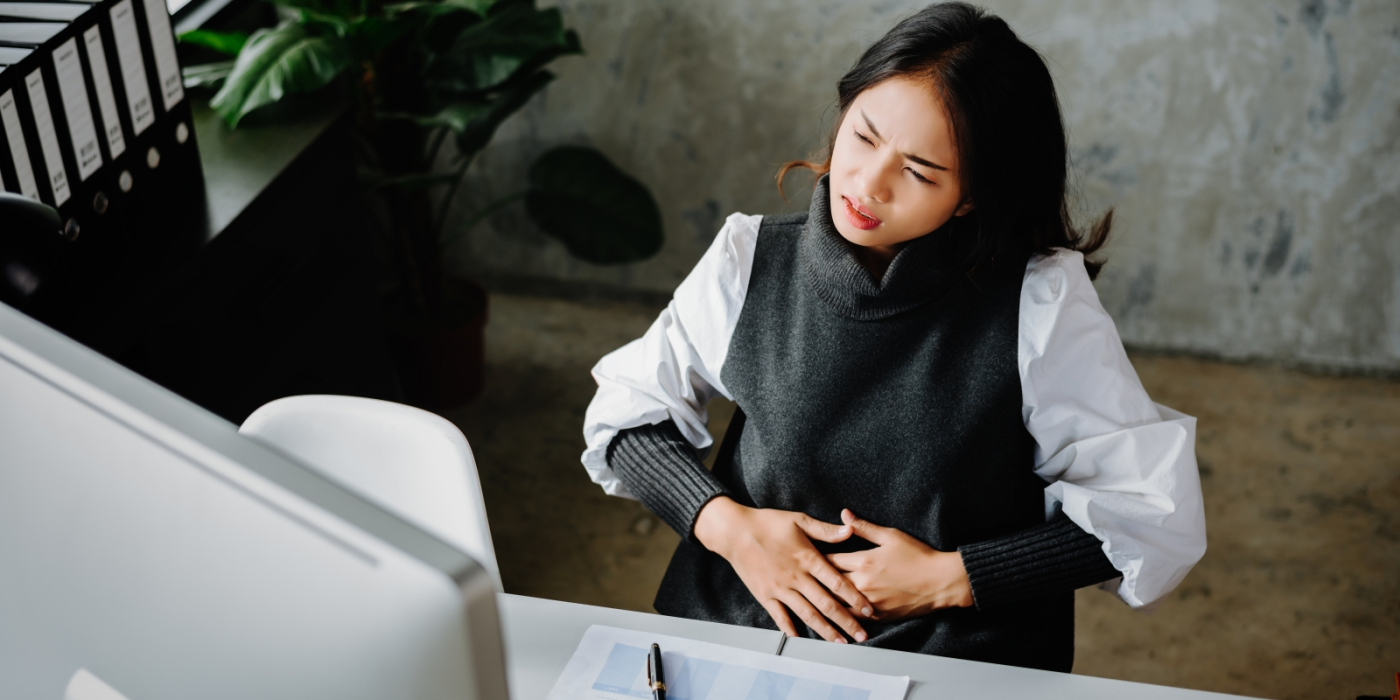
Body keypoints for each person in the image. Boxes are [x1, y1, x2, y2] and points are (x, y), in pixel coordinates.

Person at [580, 2, 1206, 672]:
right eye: (864, 136)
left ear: (972, 195)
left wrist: (951, 578)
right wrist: (728, 527)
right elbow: (626, 420)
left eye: (919, 171)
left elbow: (1150, 515)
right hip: (746, 623)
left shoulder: (1039, 302)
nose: (868, 183)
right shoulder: (749, 258)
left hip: (956, 652)